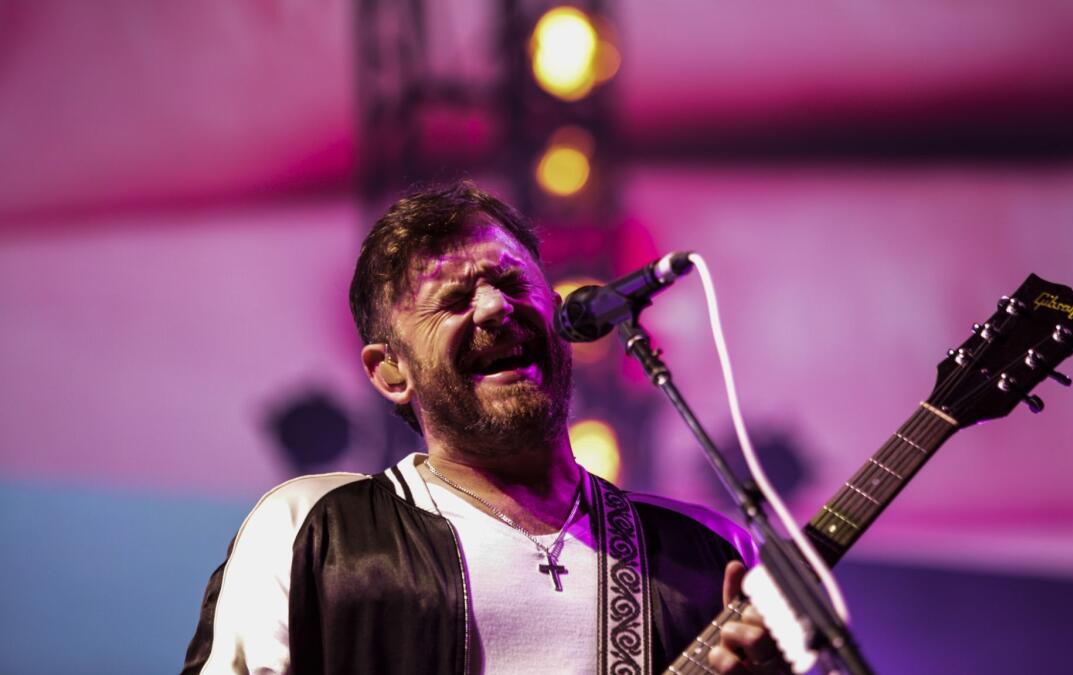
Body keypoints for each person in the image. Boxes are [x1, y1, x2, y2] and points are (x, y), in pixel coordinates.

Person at [182, 181, 784, 674]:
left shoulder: (707, 552)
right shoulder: (313, 531)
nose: (497, 308)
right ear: (391, 370)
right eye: (454, 300)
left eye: (515, 283)